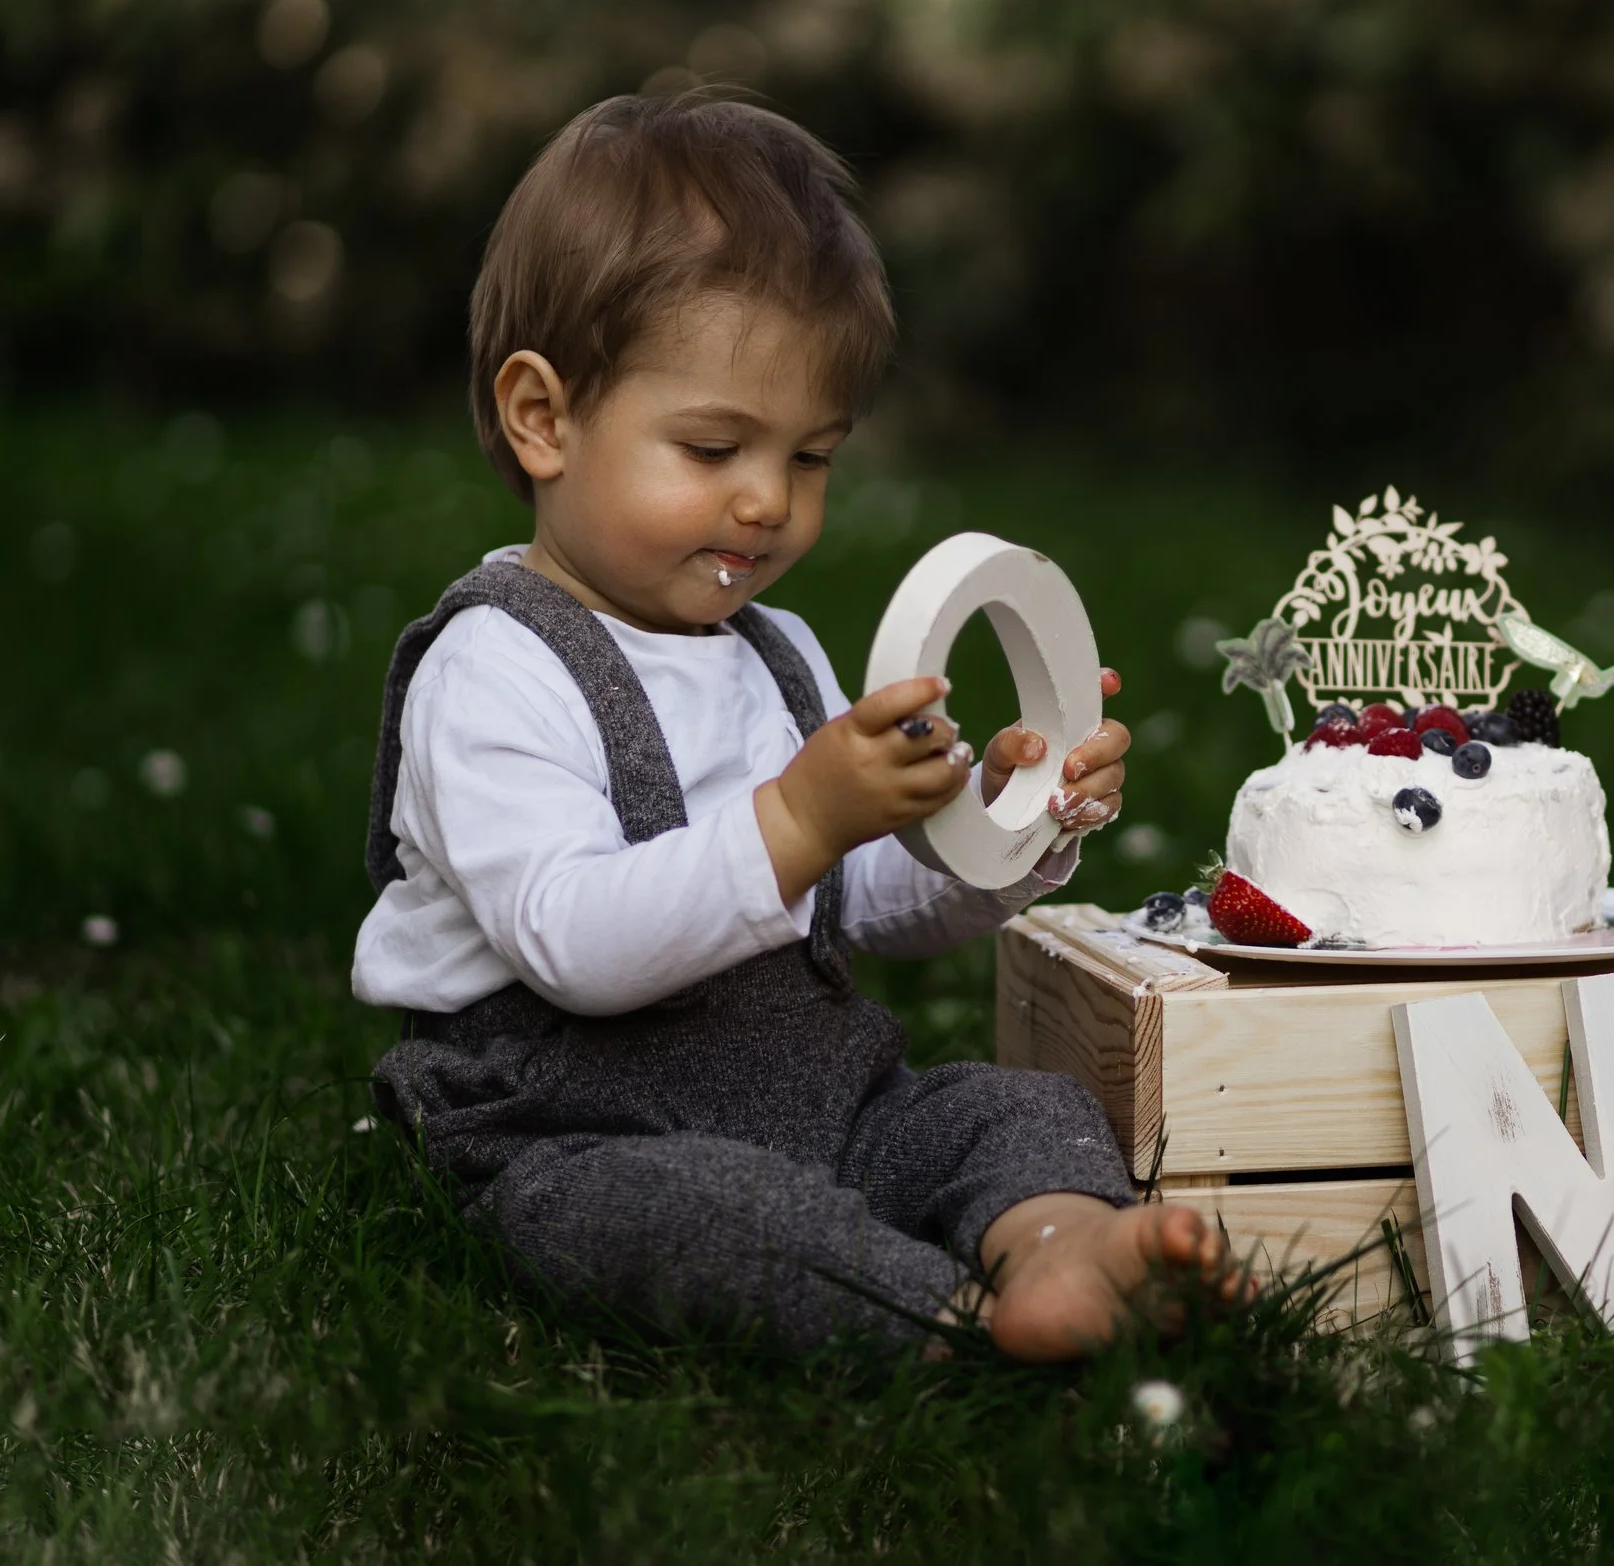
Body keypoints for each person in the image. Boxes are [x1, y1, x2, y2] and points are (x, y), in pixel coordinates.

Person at [351, 90, 1243, 1359]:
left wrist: (996, 824)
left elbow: (858, 900)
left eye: (811, 456)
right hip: (571, 1124)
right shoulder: (495, 667)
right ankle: (937, 1322)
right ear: (542, 418)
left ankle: (1061, 1245)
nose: (767, 499)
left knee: (1007, 1109)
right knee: (681, 1217)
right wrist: (796, 816)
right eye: (713, 445)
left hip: (820, 1092)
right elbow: (571, 942)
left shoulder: (776, 653)